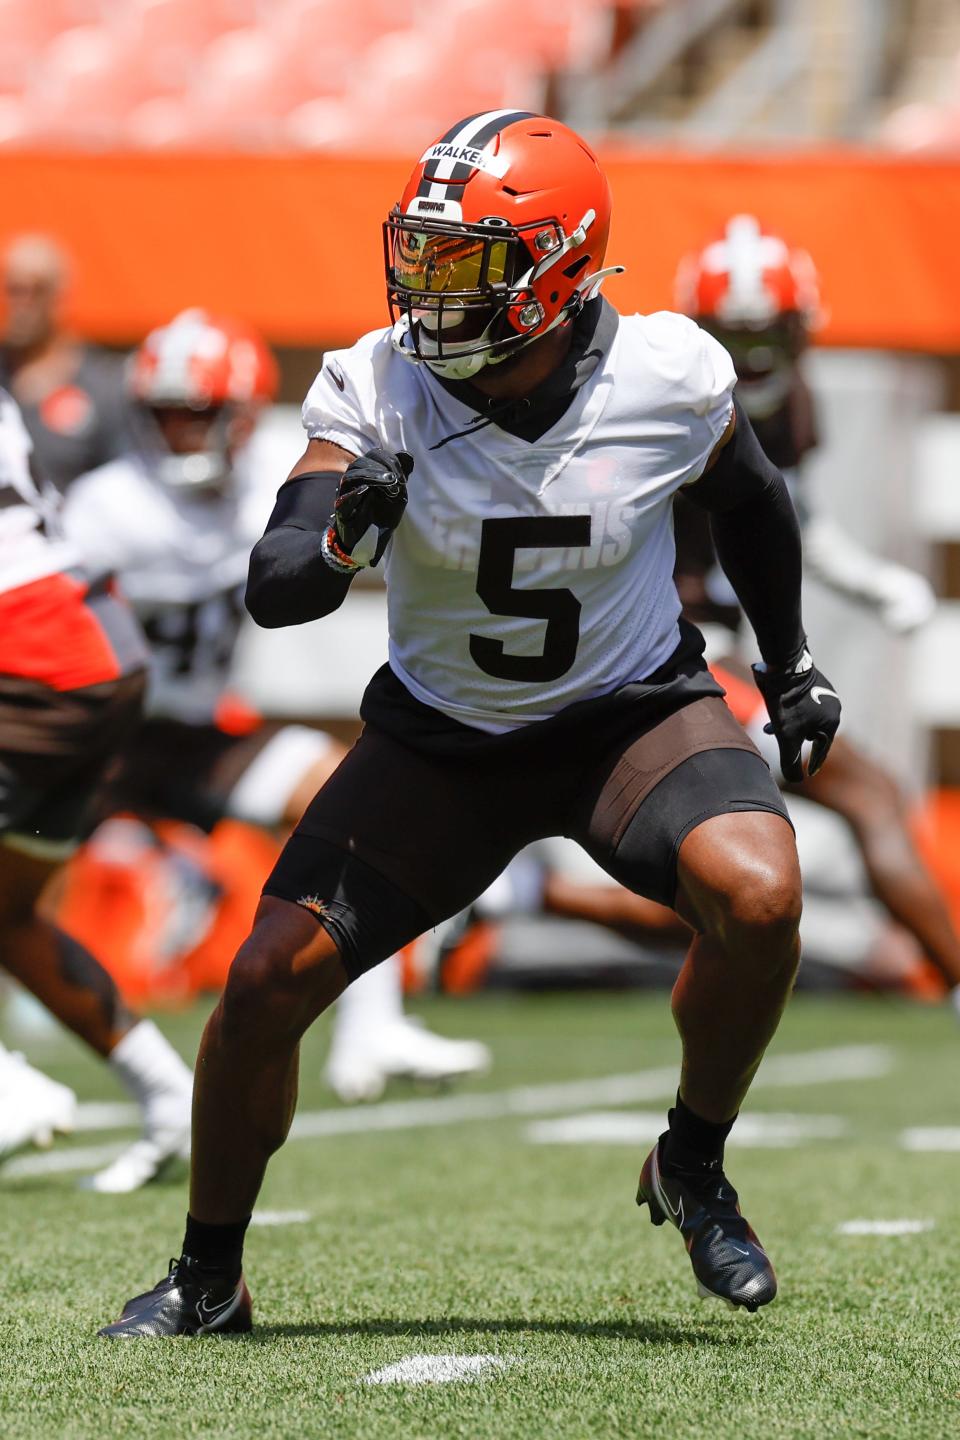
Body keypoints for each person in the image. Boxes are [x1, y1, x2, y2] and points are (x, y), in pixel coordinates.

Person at [99, 110, 842, 1338]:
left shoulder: (669, 371)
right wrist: (345, 529)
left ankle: (693, 1161)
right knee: (261, 985)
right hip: (443, 741)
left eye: (469, 265)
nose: (430, 294)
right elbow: (280, 585)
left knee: (761, 896)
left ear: (559, 269)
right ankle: (207, 1276)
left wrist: (794, 661)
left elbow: (754, 502)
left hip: (627, 719)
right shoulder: (379, 381)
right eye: (426, 257)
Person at [62, 309, 489, 1117]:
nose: (184, 435)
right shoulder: (105, 508)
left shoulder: (271, 478)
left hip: (201, 733)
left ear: (244, 412)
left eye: (200, 414)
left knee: (351, 803)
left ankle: (373, 1022)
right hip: (106, 735)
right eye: (168, 416)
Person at [672, 216, 960, 1005]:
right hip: (672, 658)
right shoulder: (663, 408)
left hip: (717, 657)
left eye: (767, 340)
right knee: (845, 810)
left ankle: (519, 901)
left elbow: (785, 518)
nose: (753, 362)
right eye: (734, 341)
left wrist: (873, 583)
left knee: (727, 871)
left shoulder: (782, 402)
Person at [0, 383, 193, 1189]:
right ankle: (167, 1093)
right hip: (93, 642)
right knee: (9, 914)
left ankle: (8, 1089)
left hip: (35, 647)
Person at [0, 235, 129, 492]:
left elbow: (123, 488)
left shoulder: (105, 386)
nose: (21, 303)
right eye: (12, 290)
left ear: (60, 296)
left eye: (36, 290)